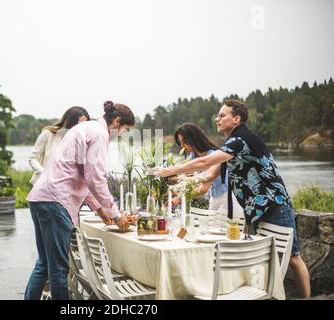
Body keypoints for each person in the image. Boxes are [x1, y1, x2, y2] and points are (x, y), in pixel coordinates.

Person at [154, 99, 311, 298]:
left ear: (236, 119)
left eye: (222, 115)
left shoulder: (241, 139)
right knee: (263, 258)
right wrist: (177, 180)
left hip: (275, 205)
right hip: (257, 209)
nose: (217, 119)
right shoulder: (231, 144)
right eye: (217, 115)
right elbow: (209, 174)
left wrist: (171, 170)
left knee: (293, 257)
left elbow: (206, 160)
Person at [24, 101, 135, 300]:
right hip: (56, 201)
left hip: (40, 197)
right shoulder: (100, 135)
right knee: (58, 269)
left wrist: (101, 210)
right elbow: (95, 178)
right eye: (125, 129)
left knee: (44, 263)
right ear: (117, 121)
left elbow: (85, 177)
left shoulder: (85, 128)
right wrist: (116, 216)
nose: (124, 134)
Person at [169, 123, 243, 217]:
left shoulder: (213, 156)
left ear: (193, 140)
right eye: (180, 143)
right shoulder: (194, 156)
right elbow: (186, 176)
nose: (182, 146)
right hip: (214, 197)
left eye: (184, 142)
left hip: (228, 199)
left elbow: (203, 188)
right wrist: (170, 181)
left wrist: (180, 198)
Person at [28, 106, 90, 186]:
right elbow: (33, 159)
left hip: (65, 189)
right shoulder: (48, 134)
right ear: (71, 121)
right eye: (80, 123)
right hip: (43, 186)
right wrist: (44, 174)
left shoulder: (80, 141)